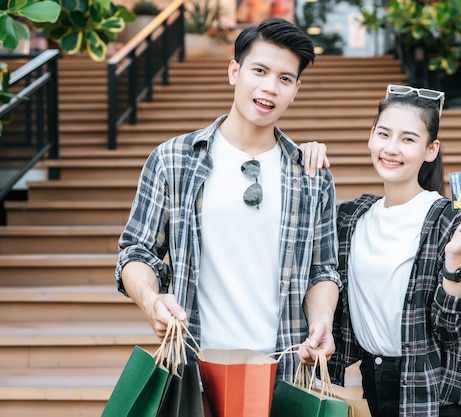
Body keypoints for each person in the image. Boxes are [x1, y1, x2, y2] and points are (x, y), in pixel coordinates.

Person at [115, 17, 341, 382]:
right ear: (234, 71)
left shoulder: (311, 174)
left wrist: (321, 322)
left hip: (285, 370)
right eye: (260, 71)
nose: (270, 87)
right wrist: (152, 301)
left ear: (296, 89)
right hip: (194, 368)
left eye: (284, 79)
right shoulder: (174, 160)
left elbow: (323, 269)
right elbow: (137, 252)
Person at [301, 85, 461, 417]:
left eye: (408, 139)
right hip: (372, 381)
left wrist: (455, 257)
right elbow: (308, 251)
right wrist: (298, 156)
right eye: (384, 134)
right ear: (370, 136)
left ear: (431, 150)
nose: (391, 148)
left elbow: (454, 330)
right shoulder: (350, 217)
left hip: (432, 391)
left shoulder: (448, 220)